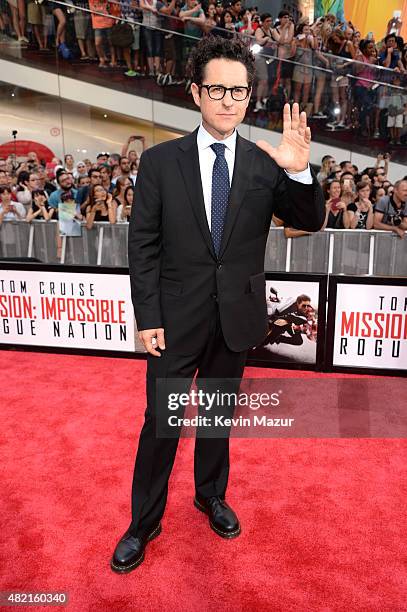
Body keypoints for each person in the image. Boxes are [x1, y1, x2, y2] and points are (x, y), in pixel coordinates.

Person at [111, 35, 325, 574]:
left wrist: (299, 170)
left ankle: (210, 495)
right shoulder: (160, 163)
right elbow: (143, 245)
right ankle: (143, 521)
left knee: (217, 416)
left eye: (239, 90)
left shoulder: (264, 162)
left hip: (237, 317)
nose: (229, 100)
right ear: (195, 93)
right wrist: (149, 316)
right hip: (174, 319)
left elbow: (308, 219)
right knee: (160, 421)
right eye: (217, 89)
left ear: (249, 98)